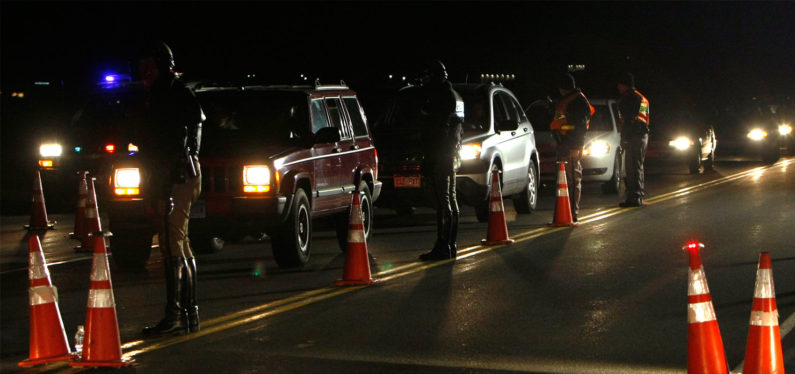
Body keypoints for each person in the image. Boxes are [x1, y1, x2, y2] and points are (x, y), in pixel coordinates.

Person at [137, 41, 204, 336]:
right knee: (177, 241)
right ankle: (187, 314)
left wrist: (176, 165)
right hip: (172, 174)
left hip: (177, 175)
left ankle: (177, 315)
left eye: (149, 67)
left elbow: (190, 130)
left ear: (162, 65)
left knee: (172, 242)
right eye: (142, 68)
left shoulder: (175, 93)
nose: (144, 73)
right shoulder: (161, 93)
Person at [417, 60, 462, 261]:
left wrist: (432, 156)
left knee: (444, 200)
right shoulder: (453, 95)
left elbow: (438, 129)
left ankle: (444, 246)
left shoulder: (440, 97)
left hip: (442, 153)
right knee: (449, 198)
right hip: (451, 153)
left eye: (427, 75)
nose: (423, 79)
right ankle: (449, 245)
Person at [549, 73, 593, 222]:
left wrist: (573, 144)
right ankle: (565, 211)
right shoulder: (568, 101)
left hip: (571, 145)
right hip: (565, 144)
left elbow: (578, 127)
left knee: (572, 179)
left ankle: (572, 213)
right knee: (564, 179)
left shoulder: (578, 102)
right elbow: (563, 121)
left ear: (563, 88)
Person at [616, 72, 650, 207]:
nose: (618, 87)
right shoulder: (641, 98)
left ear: (624, 85)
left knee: (632, 168)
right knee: (637, 167)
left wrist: (625, 138)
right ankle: (638, 195)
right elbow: (641, 119)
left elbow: (629, 120)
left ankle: (634, 198)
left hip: (634, 136)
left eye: (619, 84)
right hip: (642, 135)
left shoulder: (628, 99)